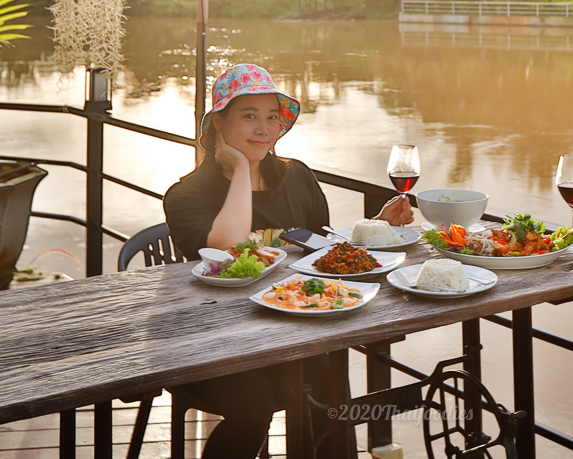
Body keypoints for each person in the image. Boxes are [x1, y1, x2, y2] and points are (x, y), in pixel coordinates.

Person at [164, 63, 413, 458]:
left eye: (272, 117)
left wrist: (378, 227)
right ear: (218, 124)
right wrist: (242, 170)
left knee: (329, 387)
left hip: (289, 329)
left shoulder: (297, 177)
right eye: (249, 116)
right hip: (212, 340)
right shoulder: (185, 196)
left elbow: (322, 251)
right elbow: (228, 252)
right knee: (254, 409)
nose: (264, 129)